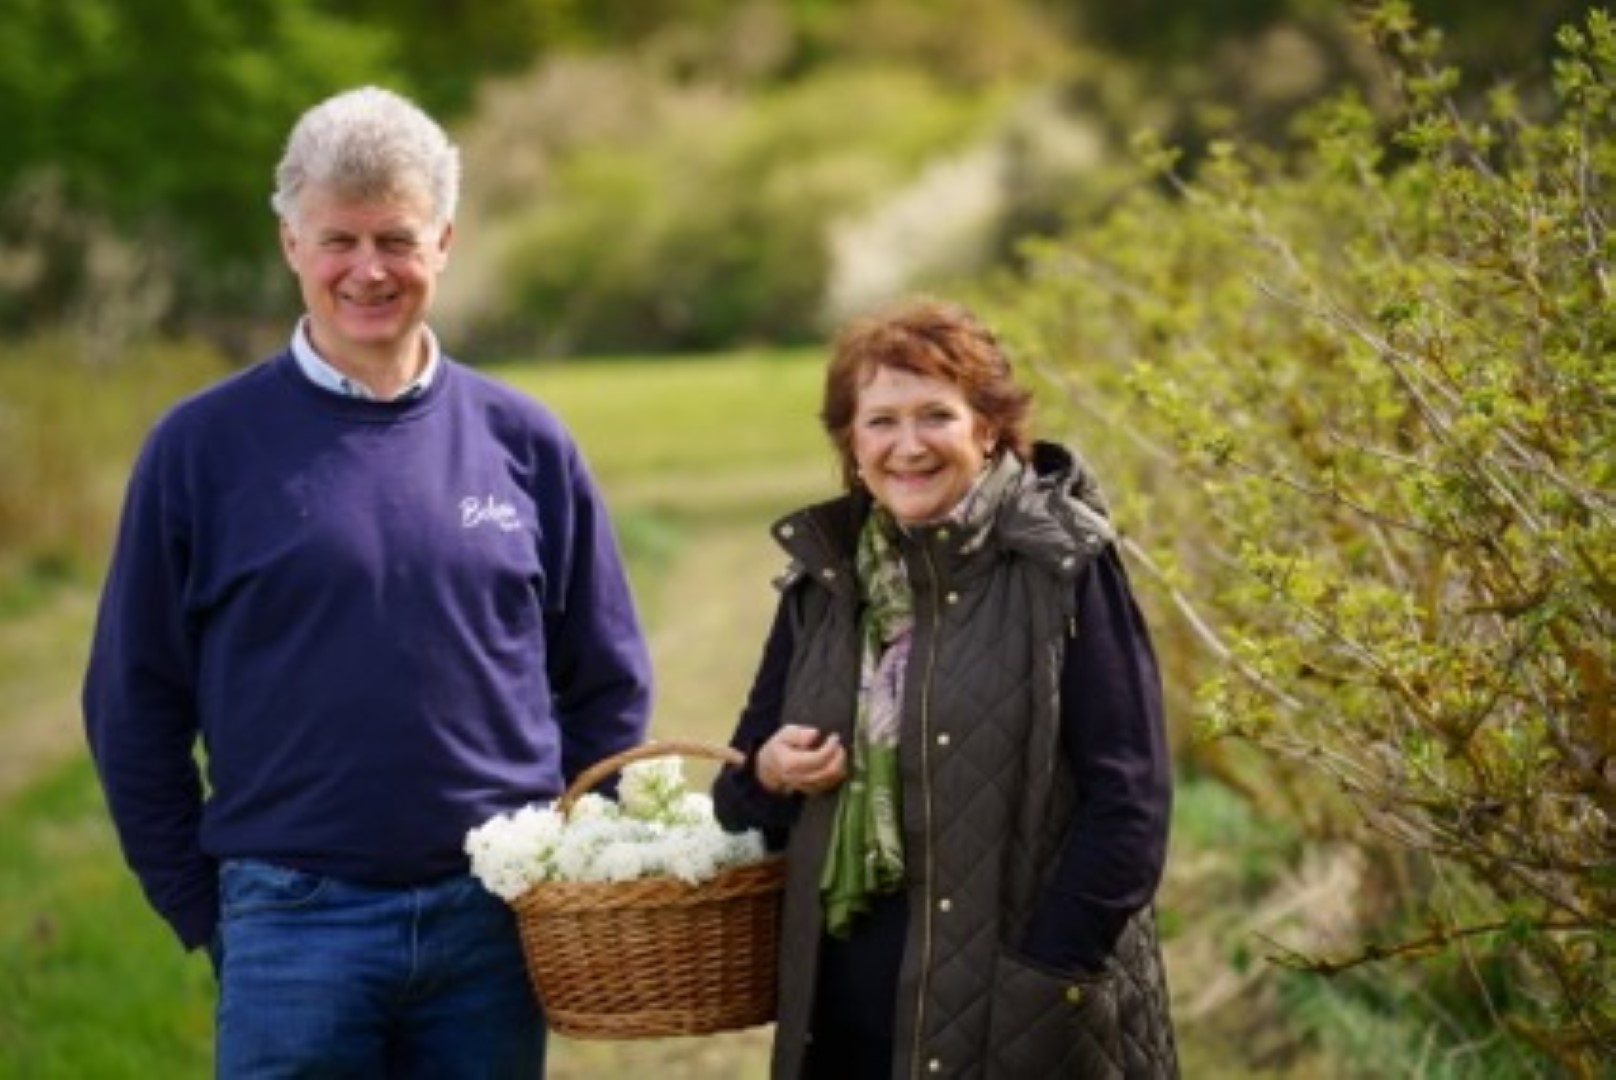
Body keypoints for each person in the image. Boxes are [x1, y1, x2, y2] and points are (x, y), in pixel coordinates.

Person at [82, 86, 653, 1076]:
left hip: (493, 924)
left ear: (444, 240)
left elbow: (603, 680)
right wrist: (201, 902)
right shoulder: (200, 449)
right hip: (291, 922)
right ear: (290, 245)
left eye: (395, 238)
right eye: (337, 239)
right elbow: (134, 701)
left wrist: (570, 872)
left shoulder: (524, 442)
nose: (367, 270)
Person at [713, 298, 1178, 1078]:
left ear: (987, 428)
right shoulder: (824, 583)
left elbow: (1130, 804)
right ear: (850, 442)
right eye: (881, 421)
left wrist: (1047, 980)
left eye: (936, 415)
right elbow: (737, 802)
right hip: (843, 1017)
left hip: (1017, 1012)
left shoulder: (1060, 566)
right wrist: (767, 771)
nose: (908, 446)